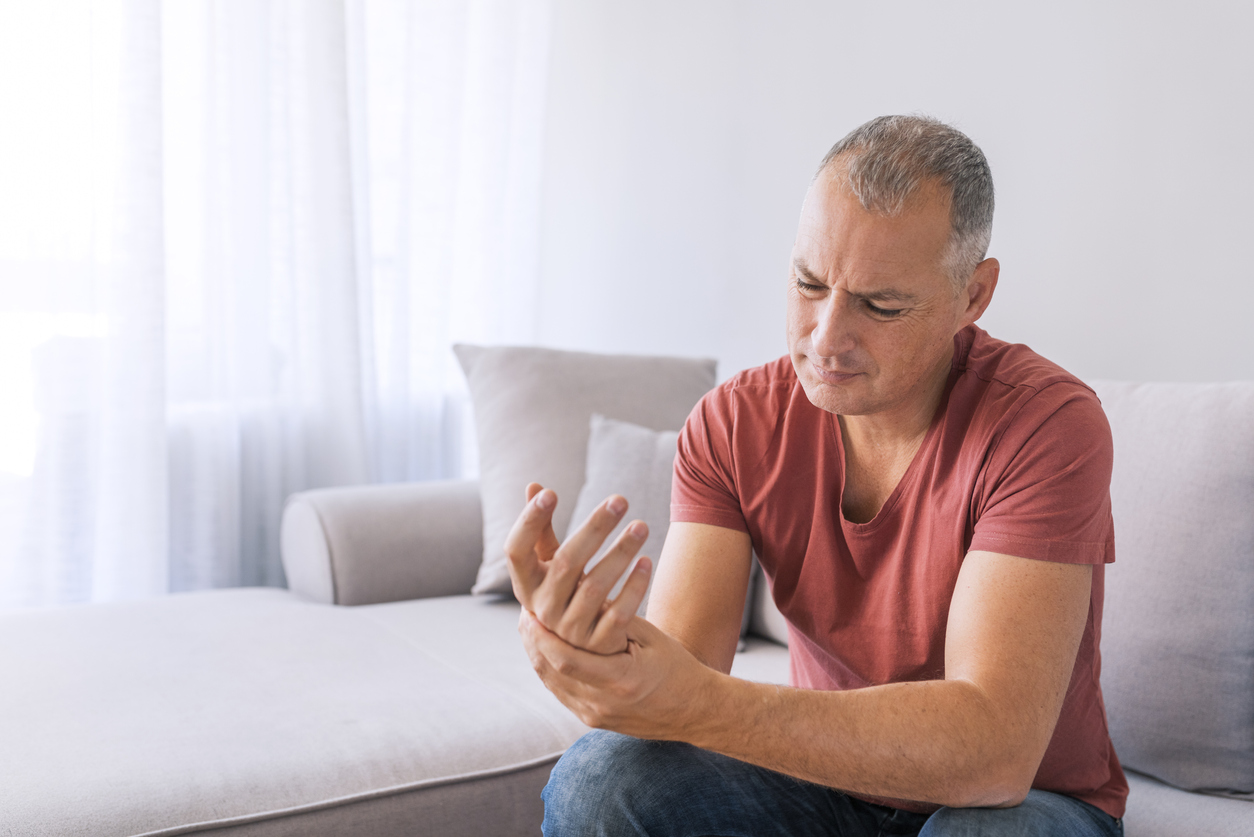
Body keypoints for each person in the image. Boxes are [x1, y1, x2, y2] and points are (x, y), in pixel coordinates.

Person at [504, 115, 1128, 836]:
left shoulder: (1046, 424)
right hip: (828, 781)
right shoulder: (735, 423)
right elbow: (678, 680)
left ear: (973, 296)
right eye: (809, 283)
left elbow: (993, 753)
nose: (826, 339)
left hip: (1021, 801)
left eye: (881, 304)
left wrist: (692, 699)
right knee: (600, 780)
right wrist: (597, 651)